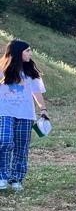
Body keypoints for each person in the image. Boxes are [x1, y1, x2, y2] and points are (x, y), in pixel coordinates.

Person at [0, 40, 48, 192]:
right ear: (17, 52)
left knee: (22, 147)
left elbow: (36, 92)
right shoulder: (2, 69)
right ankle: (2, 176)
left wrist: (43, 109)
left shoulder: (30, 71)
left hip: (26, 115)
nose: (30, 53)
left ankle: (16, 179)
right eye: (27, 51)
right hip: (4, 112)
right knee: (5, 142)